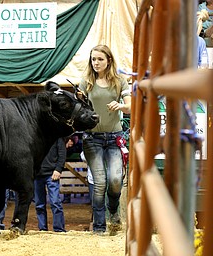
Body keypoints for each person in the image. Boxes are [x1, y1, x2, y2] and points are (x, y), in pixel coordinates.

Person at [78, 45, 131, 235]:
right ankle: (99, 228)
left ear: (109, 60)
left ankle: (114, 210)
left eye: (100, 59)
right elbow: (79, 107)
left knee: (116, 180)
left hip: (115, 138)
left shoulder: (120, 81)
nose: (96, 63)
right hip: (92, 139)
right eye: (93, 59)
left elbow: (130, 107)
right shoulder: (85, 82)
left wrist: (120, 106)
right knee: (99, 182)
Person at [34, 138, 67, 232]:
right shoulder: (35, 135)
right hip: (37, 174)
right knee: (39, 204)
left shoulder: (57, 136)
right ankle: (42, 229)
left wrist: (58, 169)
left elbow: (62, 153)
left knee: (55, 202)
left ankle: (59, 229)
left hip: (52, 174)